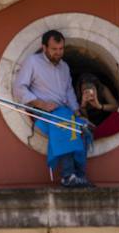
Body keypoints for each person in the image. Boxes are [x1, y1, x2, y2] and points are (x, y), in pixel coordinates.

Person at [14, 30, 92, 188]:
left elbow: (69, 91)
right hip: (42, 109)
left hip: (64, 110)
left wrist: (77, 113)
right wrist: (42, 104)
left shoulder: (64, 67)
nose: (58, 53)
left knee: (83, 128)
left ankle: (80, 176)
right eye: (54, 49)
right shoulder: (33, 61)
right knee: (63, 123)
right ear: (44, 48)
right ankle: (67, 176)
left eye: (61, 49)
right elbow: (19, 88)